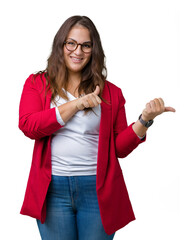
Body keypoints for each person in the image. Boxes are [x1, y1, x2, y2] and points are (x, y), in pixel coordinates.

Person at [18, 15, 175, 240]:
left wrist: (144, 120)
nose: (77, 51)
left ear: (94, 50)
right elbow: (29, 125)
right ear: (60, 45)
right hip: (52, 189)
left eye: (86, 45)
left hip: (97, 190)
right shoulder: (38, 83)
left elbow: (119, 148)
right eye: (71, 43)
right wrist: (76, 104)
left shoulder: (111, 92)